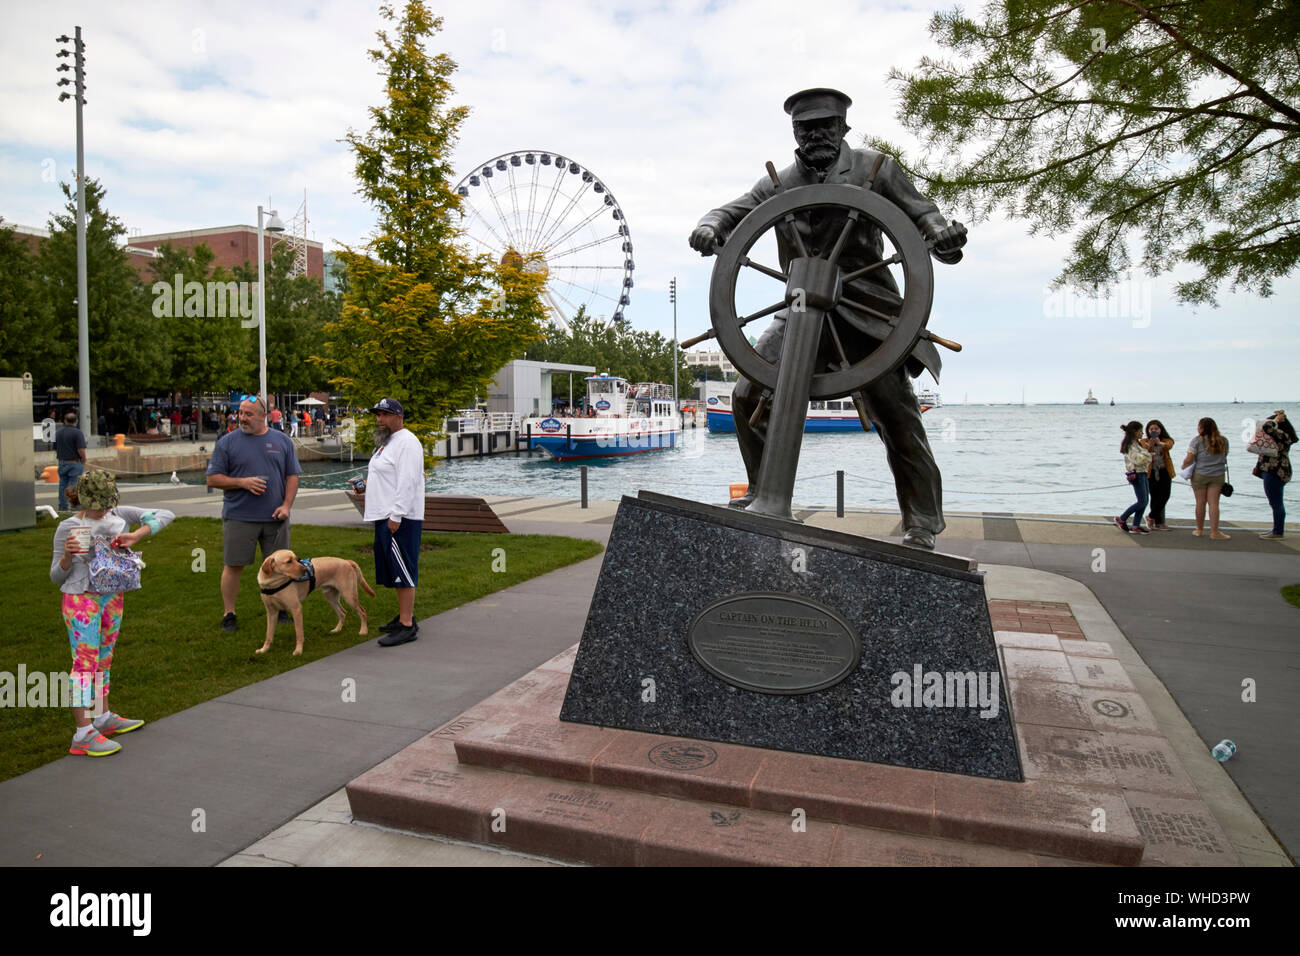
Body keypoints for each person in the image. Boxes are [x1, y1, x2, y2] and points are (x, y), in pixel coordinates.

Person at [688, 88, 967, 549]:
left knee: (896, 416)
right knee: (746, 395)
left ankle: (921, 522)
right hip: (801, 314)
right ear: (794, 133)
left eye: (825, 126)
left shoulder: (876, 170)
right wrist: (710, 226)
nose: (815, 135)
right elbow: (730, 212)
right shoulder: (778, 185)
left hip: (867, 312)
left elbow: (925, 218)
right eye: (805, 128)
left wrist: (943, 234)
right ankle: (764, 494)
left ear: (844, 129)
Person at [50, 470, 175, 756]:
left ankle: (103, 717)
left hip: (112, 596)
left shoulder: (118, 514)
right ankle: (82, 733)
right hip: (81, 600)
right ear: (84, 501)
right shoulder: (68, 527)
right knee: (84, 663)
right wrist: (68, 556)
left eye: (108, 502)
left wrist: (136, 534)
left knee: (104, 658)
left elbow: (165, 515)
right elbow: (56, 577)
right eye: (99, 504)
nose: (105, 508)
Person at [205, 394, 301, 632]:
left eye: (248, 414)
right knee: (234, 565)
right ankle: (229, 613)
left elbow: (292, 476)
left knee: (281, 568)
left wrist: (287, 506)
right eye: (240, 413)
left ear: (263, 416)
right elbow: (212, 478)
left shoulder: (282, 441)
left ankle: (280, 609)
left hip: (275, 518)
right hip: (239, 517)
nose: (242, 418)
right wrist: (242, 482)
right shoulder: (227, 443)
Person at [364, 398, 425, 647]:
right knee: (392, 570)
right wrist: (366, 487)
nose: (380, 419)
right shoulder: (387, 443)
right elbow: (388, 478)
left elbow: (408, 480)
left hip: (400, 519)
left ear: (398, 417)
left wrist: (397, 515)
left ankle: (407, 625)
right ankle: (403, 617)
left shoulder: (407, 442)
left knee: (403, 570)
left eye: (385, 415)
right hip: (384, 515)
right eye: (378, 415)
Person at [1183, 417, 1230, 539]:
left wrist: (1184, 466)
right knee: (1214, 504)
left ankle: (1199, 529)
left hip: (1200, 475)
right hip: (1218, 475)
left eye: (1199, 426)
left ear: (1202, 428)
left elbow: (1189, 458)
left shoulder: (1196, 441)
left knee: (1200, 503)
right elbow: (1225, 455)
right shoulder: (1223, 440)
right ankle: (1215, 532)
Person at [1254, 409, 1295, 540]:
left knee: (1276, 502)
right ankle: (1276, 529)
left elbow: (1267, 426)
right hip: (1278, 470)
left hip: (1274, 470)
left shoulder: (1282, 434)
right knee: (1276, 501)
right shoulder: (1283, 435)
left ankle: (1278, 531)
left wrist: (1276, 420)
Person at [1115, 421, 1153, 534]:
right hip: (1137, 474)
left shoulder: (1136, 443)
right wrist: (1148, 454)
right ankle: (1122, 518)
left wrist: (1146, 452)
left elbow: (1142, 457)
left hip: (1143, 473)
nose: (1142, 433)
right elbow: (1137, 459)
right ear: (1135, 432)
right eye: (1140, 431)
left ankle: (1136, 525)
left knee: (1145, 500)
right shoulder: (1131, 445)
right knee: (1142, 501)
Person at [1144, 420, 1175, 530]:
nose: (1154, 431)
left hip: (1164, 470)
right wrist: (1150, 445)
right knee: (1154, 496)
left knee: (1165, 495)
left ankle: (1151, 516)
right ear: (1147, 431)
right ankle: (1158, 523)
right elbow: (1143, 452)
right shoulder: (1144, 441)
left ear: (1161, 430)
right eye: (1151, 429)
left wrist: (1158, 442)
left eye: (1156, 429)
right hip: (1150, 471)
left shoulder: (1167, 440)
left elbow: (1168, 446)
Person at [54, 411, 87, 512]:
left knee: (62, 484)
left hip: (62, 462)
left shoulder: (58, 432)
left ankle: (62, 506)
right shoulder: (77, 433)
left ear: (65, 421)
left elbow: (55, 447)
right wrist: (84, 459)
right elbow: (80, 449)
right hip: (74, 462)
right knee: (74, 485)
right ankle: (76, 506)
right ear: (76, 421)